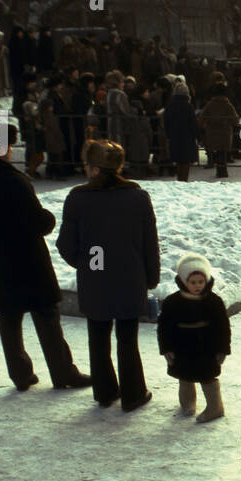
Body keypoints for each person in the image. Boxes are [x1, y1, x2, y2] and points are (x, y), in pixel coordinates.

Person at [0, 131, 92, 393]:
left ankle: (21, 375)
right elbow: (38, 221)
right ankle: (63, 372)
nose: (10, 149)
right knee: (46, 317)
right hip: (28, 260)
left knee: (9, 320)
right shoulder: (15, 181)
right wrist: (49, 219)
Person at [56, 140, 160, 411]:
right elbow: (150, 242)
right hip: (130, 278)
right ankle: (133, 393)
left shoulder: (78, 198)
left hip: (95, 278)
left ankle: (104, 391)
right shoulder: (137, 197)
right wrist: (151, 277)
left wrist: (85, 264)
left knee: (98, 337)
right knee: (128, 339)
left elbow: (65, 245)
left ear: (92, 168)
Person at [158, 252, 231, 421]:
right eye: (193, 282)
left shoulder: (214, 301)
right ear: (184, 281)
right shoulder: (172, 302)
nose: (197, 286)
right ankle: (188, 402)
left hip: (206, 347)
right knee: (184, 375)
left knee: (207, 376)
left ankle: (215, 407)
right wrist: (166, 347)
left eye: (201, 282)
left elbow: (223, 327)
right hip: (181, 346)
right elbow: (164, 327)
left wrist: (222, 348)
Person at [198, 83, 239, 179]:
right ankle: (222, 171)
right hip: (225, 133)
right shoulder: (228, 105)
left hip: (212, 133)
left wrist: (205, 124)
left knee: (217, 151)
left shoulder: (210, 104)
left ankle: (219, 169)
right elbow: (235, 120)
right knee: (222, 152)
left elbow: (202, 117)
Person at [163, 82, 200, 181]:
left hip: (174, 136)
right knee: (185, 162)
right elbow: (193, 123)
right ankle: (184, 180)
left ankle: (179, 180)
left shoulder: (170, 105)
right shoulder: (188, 106)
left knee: (178, 161)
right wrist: (197, 135)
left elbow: (166, 121)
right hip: (187, 137)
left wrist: (168, 134)